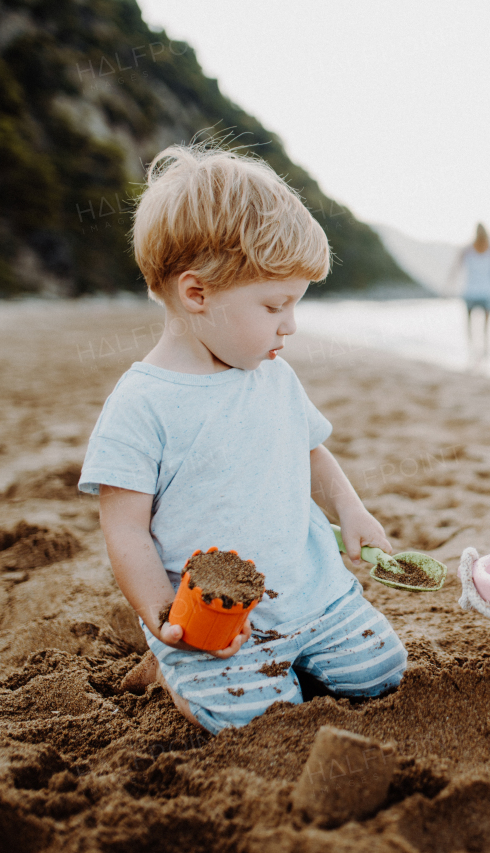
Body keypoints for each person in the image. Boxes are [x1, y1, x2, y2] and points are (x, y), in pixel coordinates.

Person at [78, 143, 407, 733]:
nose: (291, 324)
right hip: (216, 618)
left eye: (295, 304)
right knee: (252, 718)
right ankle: (172, 671)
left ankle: (300, 653)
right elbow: (124, 528)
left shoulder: (273, 375)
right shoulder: (142, 404)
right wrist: (161, 614)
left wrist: (350, 509)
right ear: (197, 294)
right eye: (275, 304)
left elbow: (309, 449)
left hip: (314, 593)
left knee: (381, 672)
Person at [449, 223, 490, 369]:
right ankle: (485, 358)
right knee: (486, 329)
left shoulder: (467, 250)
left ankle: (472, 353)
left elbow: (455, 269)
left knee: (470, 327)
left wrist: (448, 285)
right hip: (488, 293)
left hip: (470, 292)